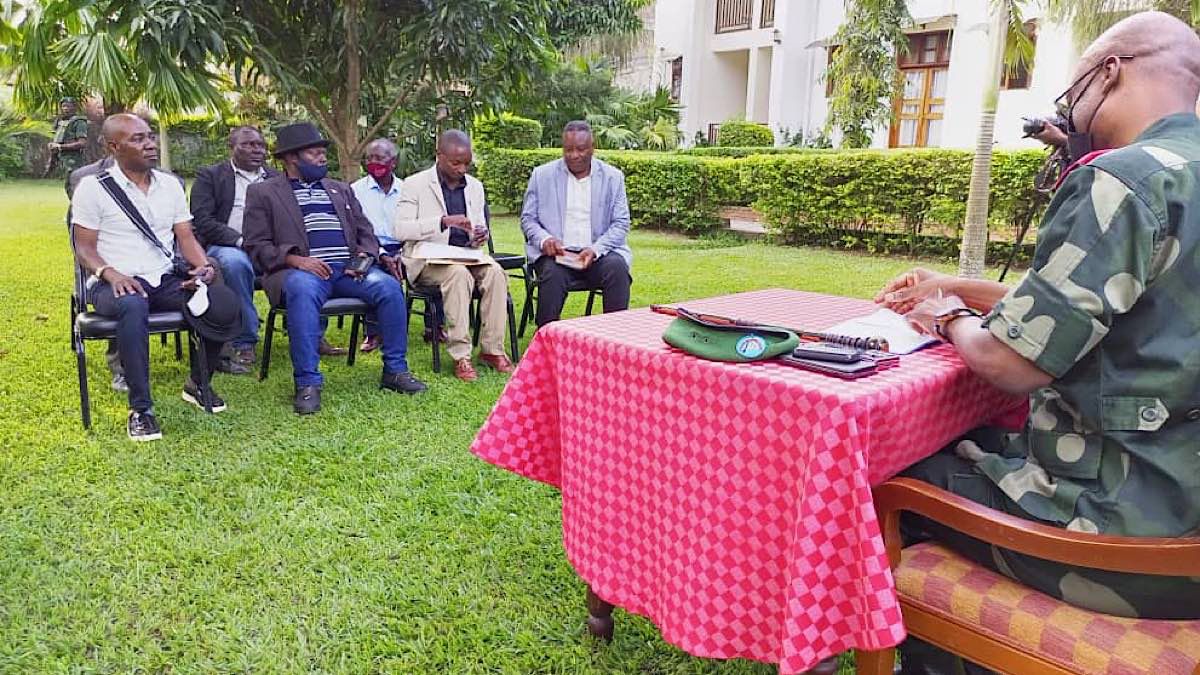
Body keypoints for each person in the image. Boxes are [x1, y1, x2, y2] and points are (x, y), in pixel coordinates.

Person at [876, 11, 1200, 673]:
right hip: (1181, 505)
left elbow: (1010, 362)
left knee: (888, 475)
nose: (1068, 110)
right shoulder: (1183, 174)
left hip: (1114, 530)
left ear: (1109, 73)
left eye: (1072, 89)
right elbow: (1091, 305)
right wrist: (954, 287)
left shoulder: (1124, 179)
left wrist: (944, 317)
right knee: (974, 443)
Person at [242, 122, 426, 414]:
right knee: (302, 289)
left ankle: (395, 371)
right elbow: (255, 244)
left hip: (348, 271)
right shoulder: (264, 192)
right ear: (291, 158)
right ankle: (307, 383)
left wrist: (363, 258)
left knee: (389, 287)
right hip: (300, 272)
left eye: (322, 152)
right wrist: (297, 260)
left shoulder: (339, 189)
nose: (322, 158)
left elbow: (366, 232)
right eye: (314, 153)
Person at [70, 114, 227, 441]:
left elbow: (185, 237)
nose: (150, 144)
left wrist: (203, 267)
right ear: (114, 147)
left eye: (150, 136)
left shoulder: (170, 185)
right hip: (111, 282)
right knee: (132, 304)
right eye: (138, 139)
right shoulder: (93, 188)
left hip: (163, 278)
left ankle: (198, 383)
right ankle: (141, 409)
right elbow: (83, 248)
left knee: (220, 301)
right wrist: (111, 274)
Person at [395, 130, 514, 381]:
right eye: (456, 163)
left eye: (466, 163)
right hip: (427, 259)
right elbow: (400, 230)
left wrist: (478, 235)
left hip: (466, 254)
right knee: (458, 274)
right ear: (439, 155)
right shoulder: (414, 184)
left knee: (496, 273)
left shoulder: (474, 186)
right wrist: (442, 222)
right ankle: (461, 355)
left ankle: (492, 350)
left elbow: (478, 225)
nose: (462, 169)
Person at [520, 120, 632, 327]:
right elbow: (528, 219)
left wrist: (595, 250)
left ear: (592, 148)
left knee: (617, 269)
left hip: (598, 253)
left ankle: (615, 336)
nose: (574, 155)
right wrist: (545, 240)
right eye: (568, 149)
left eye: (581, 149)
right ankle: (546, 337)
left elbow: (621, 223)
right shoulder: (542, 175)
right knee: (552, 275)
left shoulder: (613, 178)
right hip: (557, 255)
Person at [188, 126, 280, 374]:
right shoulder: (211, 176)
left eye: (260, 145)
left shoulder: (275, 178)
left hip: (269, 247)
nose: (256, 150)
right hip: (227, 246)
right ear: (231, 147)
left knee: (304, 263)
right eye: (248, 144)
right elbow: (203, 220)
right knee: (235, 263)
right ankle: (244, 340)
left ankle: (312, 334)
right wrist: (240, 241)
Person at [350, 138, 404, 353]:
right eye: (369, 158)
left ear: (393, 162)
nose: (374, 162)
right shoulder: (355, 190)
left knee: (431, 266)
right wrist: (381, 253)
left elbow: (416, 226)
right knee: (370, 271)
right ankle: (372, 332)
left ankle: (434, 327)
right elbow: (355, 230)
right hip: (369, 247)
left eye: (380, 158)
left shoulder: (408, 190)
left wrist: (402, 252)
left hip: (404, 247)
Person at [47, 97, 90, 179]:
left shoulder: (79, 122)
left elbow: (82, 143)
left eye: (68, 106)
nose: (65, 109)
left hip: (73, 160)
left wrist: (60, 147)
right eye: (63, 106)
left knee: (73, 183)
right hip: (61, 160)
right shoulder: (60, 122)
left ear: (74, 107)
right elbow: (56, 138)